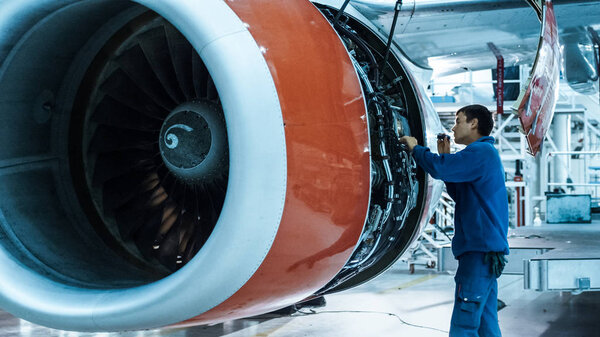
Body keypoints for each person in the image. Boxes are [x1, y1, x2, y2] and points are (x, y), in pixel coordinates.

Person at [399, 104, 509, 337]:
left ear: (474, 123)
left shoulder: (480, 152)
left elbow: (439, 170)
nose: (454, 126)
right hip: (484, 251)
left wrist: (416, 149)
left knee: (464, 323)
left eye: (458, 120)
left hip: (479, 252)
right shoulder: (483, 154)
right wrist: (446, 157)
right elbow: (458, 190)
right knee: (485, 323)